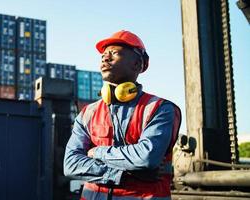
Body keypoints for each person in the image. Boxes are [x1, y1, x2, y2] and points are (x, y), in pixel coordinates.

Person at [63, 30, 181, 200]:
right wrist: (122, 175)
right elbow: (71, 164)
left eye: (114, 53)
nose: (105, 58)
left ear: (137, 64)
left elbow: (146, 157)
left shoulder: (159, 109)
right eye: (103, 55)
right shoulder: (88, 113)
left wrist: (97, 152)